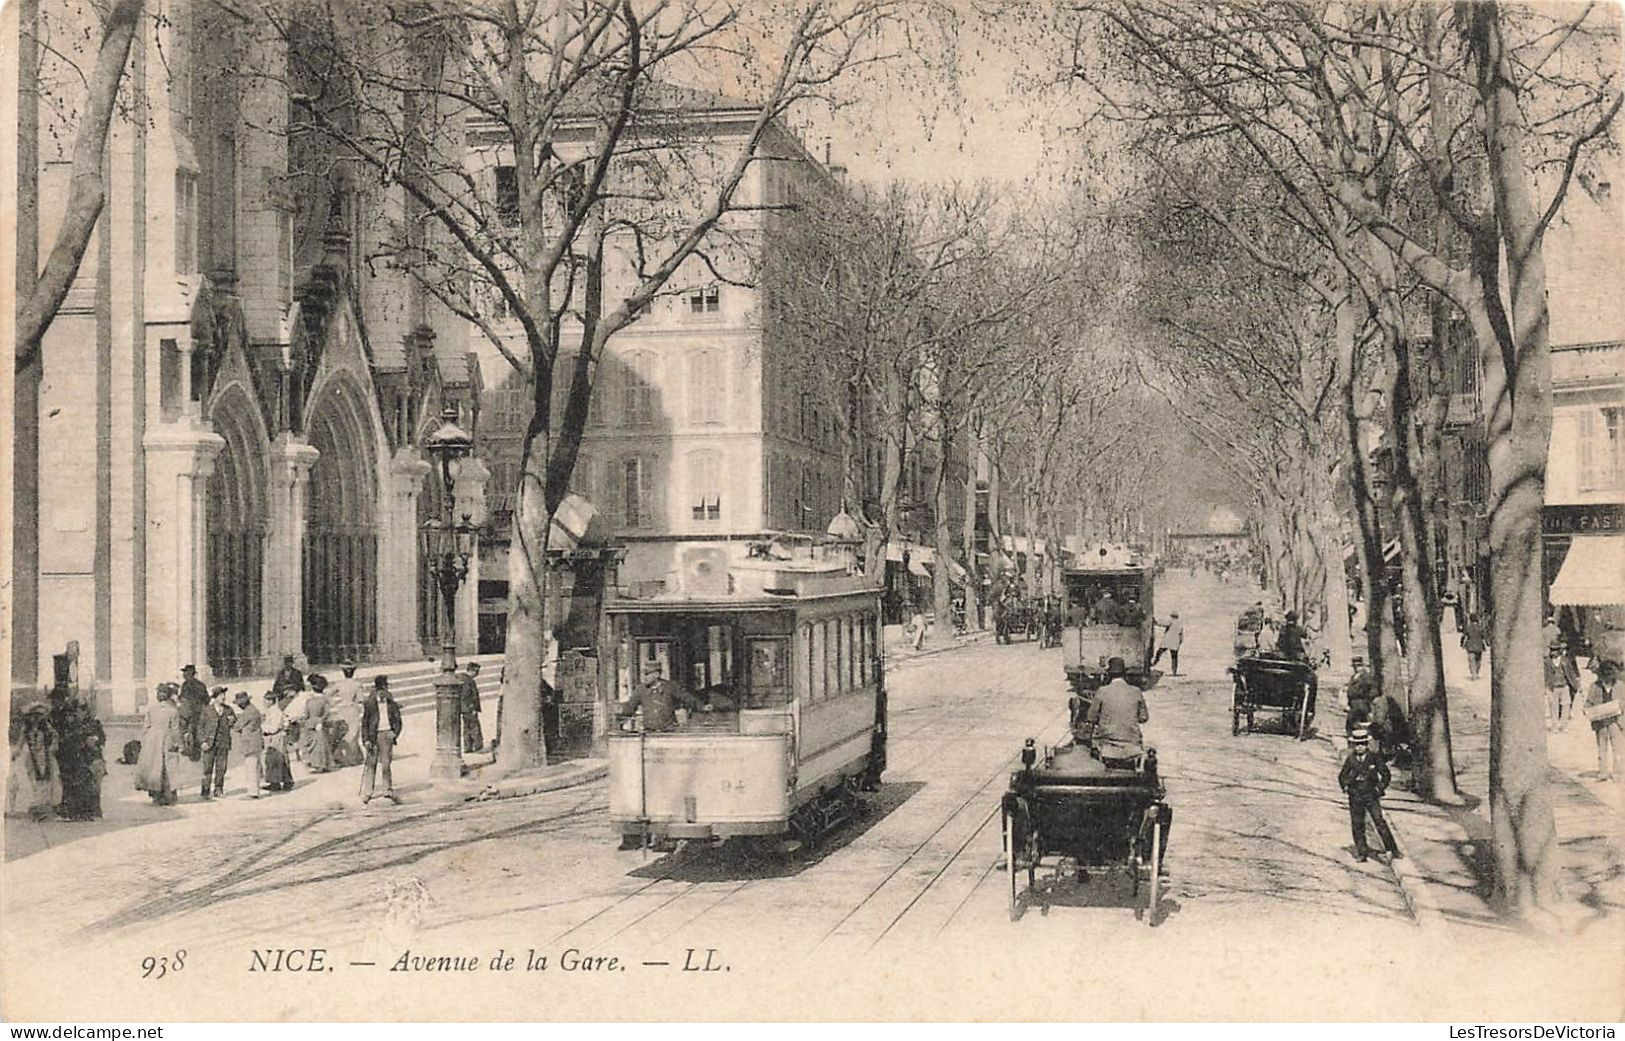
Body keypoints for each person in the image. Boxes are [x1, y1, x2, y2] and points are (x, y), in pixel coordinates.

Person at [1339, 726, 1400, 862]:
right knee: (1357, 824)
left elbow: (1386, 774)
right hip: (1355, 795)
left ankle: (1392, 849)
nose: (1360, 747)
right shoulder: (1351, 759)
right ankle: (1362, 852)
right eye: (1357, 744)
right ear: (1353, 745)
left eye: (1363, 744)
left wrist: (1379, 788)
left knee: (1379, 821)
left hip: (1371, 794)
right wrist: (1346, 787)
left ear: (1367, 744)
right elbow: (1342, 776)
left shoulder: (1374, 758)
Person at [50, 686, 105, 821]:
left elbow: (100, 739)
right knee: (69, 780)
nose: (78, 713)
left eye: (81, 710)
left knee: (82, 782)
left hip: (79, 755)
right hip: (66, 753)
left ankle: (85, 810)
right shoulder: (56, 714)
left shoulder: (88, 721)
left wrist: (92, 742)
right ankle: (74, 808)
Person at [1085, 657, 1149, 768]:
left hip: (1106, 746)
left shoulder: (1102, 691)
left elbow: (1091, 717)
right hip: (1132, 745)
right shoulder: (1136, 691)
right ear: (1124, 674)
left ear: (1109, 675)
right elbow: (1143, 717)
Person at [6, 704, 61, 821]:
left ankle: (43, 806)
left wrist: (53, 746)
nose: (36, 718)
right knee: (34, 780)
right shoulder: (27, 728)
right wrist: (17, 752)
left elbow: (55, 736)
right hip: (32, 758)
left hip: (45, 756)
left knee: (47, 780)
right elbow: (21, 741)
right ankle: (36, 805)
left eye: (39, 715)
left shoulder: (47, 727)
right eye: (34, 715)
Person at [134, 685, 181, 806]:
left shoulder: (151, 709)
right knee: (168, 768)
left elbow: (145, 727)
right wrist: (176, 743)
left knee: (153, 767)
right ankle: (169, 795)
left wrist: (148, 740)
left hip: (152, 740)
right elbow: (175, 730)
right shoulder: (173, 711)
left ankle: (155, 795)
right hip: (167, 739)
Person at [361, 675, 404, 804]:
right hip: (373, 736)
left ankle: (387, 790)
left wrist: (394, 733)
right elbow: (365, 723)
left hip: (386, 735)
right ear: (376, 690)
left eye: (384, 690)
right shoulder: (370, 703)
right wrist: (366, 739)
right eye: (379, 690)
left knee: (386, 764)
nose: (382, 693)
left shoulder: (391, 703)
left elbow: (398, 720)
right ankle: (367, 792)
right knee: (371, 764)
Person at [618, 675, 705, 732]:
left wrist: (702, 706)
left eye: (647, 674)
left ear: (656, 675)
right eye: (644, 673)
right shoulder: (641, 689)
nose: (644, 677)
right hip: (649, 731)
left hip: (668, 730)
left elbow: (687, 698)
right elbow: (630, 707)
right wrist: (621, 711)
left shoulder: (670, 687)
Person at [1584, 659, 1621, 781]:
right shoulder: (1594, 686)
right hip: (1600, 722)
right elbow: (1588, 703)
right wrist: (1586, 710)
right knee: (1601, 748)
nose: (1608, 679)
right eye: (1605, 676)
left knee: (1618, 748)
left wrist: (1620, 705)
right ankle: (1603, 772)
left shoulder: (1621, 686)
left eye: (1610, 676)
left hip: (1616, 721)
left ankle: (1618, 773)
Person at [196, 687, 235, 799]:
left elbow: (234, 723)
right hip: (209, 743)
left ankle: (218, 789)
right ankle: (205, 791)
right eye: (221, 696)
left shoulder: (229, 710)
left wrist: (232, 722)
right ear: (215, 697)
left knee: (221, 768)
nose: (223, 698)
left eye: (224, 695)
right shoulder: (207, 710)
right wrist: (202, 741)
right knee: (207, 768)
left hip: (223, 743)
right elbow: (200, 727)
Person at [329, 660, 365, 767]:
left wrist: (335, 703)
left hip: (342, 709)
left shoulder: (339, 684)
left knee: (342, 732)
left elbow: (328, 694)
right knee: (352, 733)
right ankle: (353, 757)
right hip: (352, 709)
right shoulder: (357, 684)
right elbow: (360, 700)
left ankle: (341, 757)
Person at [232, 692, 264, 799]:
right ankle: (255, 791)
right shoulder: (254, 710)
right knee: (255, 768)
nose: (238, 706)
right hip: (256, 742)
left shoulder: (248, 712)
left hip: (249, 743)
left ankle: (253, 793)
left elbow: (237, 727)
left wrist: (232, 722)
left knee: (251, 769)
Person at [261, 691, 294, 793]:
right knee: (278, 760)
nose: (264, 702)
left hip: (275, 737)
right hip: (274, 736)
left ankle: (278, 783)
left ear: (271, 701)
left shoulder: (275, 712)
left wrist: (263, 729)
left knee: (275, 760)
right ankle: (281, 781)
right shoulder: (272, 711)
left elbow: (274, 727)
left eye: (266, 700)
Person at [301, 674, 334, 773]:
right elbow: (327, 712)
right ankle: (322, 764)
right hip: (319, 723)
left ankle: (314, 764)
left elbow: (306, 714)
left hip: (310, 723)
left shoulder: (309, 701)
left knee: (313, 744)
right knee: (320, 744)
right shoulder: (324, 700)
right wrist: (321, 721)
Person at [177, 664, 209, 761]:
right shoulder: (201, 685)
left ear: (189, 673)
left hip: (188, 712)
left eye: (185, 672)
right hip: (199, 712)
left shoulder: (185, 685)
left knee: (187, 729)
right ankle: (196, 750)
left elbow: (183, 699)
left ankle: (190, 750)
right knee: (197, 729)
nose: (184, 674)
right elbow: (206, 699)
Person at [458, 662, 485, 753]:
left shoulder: (464, 679)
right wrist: (473, 707)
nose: (477, 674)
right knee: (474, 727)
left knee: (467, 727)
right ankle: (477, 746)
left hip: (465, 708)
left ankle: (468, 747)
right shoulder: (468, 681)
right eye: (477, 672)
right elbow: (466, 695)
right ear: (472, 671)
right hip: (469, 708)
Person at [1461, 613, 1488, 680]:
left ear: (1470, 619)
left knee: (1471, 660)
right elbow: (1484, 636)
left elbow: (1464, 636)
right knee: (1478, 660)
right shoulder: (1480, 627)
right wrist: (1487, 643)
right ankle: (1477, 672)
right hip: (1479, 646)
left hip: (1470, 646)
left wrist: (1461, 643)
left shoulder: (1468, 627)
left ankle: (1474, 674)